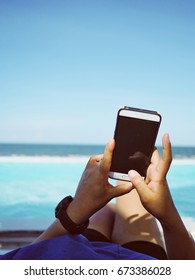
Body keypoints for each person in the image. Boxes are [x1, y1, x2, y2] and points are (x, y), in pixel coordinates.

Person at [0, 134, 194, 260]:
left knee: (107, 207)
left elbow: (26, 258)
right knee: (131, 189)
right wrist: (168, 217)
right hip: (137, 259)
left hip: (76, 250)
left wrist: (74, 214)